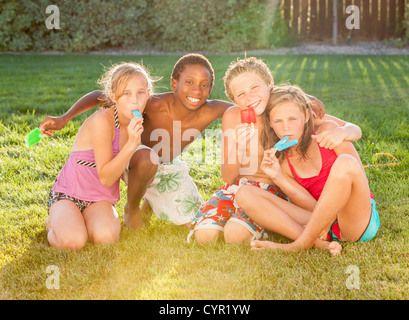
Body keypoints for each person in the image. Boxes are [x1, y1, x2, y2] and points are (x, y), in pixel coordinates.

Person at [40, 53, 233, 229]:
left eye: (204, 85)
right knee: (149, 159)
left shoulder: (211, 109)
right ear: (174, 84)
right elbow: (98, 96)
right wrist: (65, 117)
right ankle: (132, 208)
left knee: (193, 222)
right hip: (134, 159)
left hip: (167, 165)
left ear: (210, 89)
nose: (196, 90)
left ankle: (150, 203)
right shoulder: (150, 102)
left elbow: (239, 110)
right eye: (189, 82)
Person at [188, 57, 363, 246]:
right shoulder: (233, 117)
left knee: (234, 236)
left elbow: (353, 129)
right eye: (241, 95)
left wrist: (341, 131)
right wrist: (236, 147)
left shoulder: (286, 109)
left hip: (275, 191)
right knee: (205, 237)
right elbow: (228, 177)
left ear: (269, 84)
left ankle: (288, 232)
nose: (250, 98)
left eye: (255, 88)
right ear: (234, 100)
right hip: (237, 187)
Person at [235, 85, 379, 255]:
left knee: (346, 163)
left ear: (305, 116)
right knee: (244, 193)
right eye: (278, 121)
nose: (286, 128)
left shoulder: (328, 132)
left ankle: (300, 244)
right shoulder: (283, 163)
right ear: (271, 124)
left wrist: (342, 132)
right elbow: (312, 206)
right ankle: (319, 244)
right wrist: (277, 176)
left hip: (355, 221)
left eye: (292, 119)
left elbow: (360, 177)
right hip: (324, 223)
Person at [46, 62, 154, 251]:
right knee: (73, 242)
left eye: (140, 93)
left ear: (148, 94)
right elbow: (105, 177)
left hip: (100, 198)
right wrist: (131, 146)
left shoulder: (138, 122)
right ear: (114, 97)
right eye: (126, 93)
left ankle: (83, 221)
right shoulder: (102, 121)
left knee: (107, 237)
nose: (134, 100)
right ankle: (53, 221)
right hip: (69, 194)